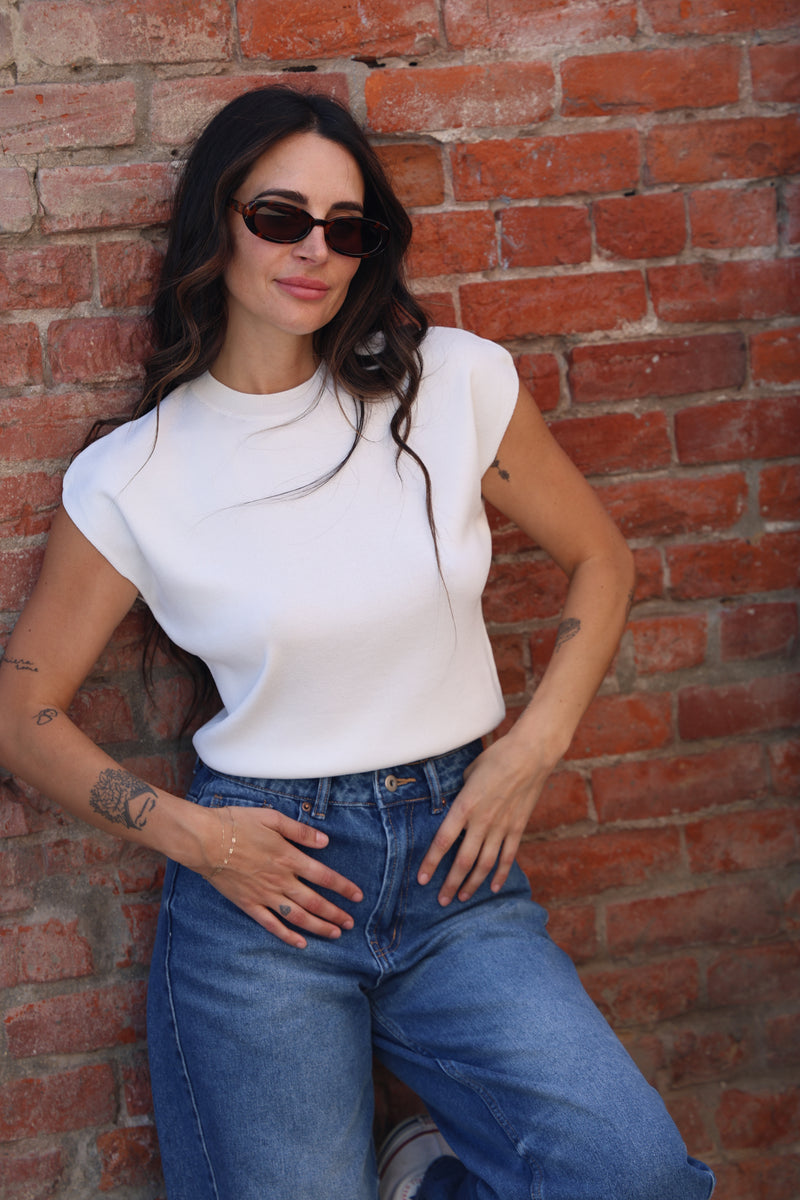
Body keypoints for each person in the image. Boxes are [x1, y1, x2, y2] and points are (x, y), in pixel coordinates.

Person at [0, 86, 715, 1200]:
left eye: (348, 229)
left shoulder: (451, 387)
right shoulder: (135, 474)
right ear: (217, 224)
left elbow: (601, 559)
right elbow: (22, 707)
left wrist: (527, 750)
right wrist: (194, 837)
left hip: (453, 870)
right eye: (279, 218)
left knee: (628, 1173)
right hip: (261, 893)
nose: (315, 253)